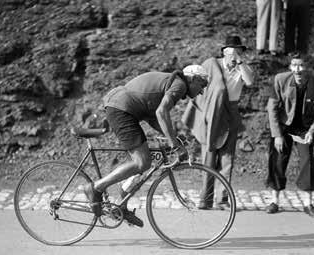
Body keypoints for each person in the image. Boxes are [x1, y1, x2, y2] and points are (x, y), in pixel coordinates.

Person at [84, 65, 210, 227]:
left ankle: (121, 204)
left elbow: (154, 118)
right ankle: (95, 188)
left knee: (144, 160)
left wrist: (174, 139)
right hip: (121, 108)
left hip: (122, 106)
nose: (202, 91)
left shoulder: (174, 82)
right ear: (193, 78)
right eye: (203, 85)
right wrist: (175, 145)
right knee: (142, 161)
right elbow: (161, 113)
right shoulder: (180, 85)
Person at [182, 35, 254, 209]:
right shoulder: (211, 65)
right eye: (232, 51)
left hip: (231, 114)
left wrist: (240, 62)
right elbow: (196, 84)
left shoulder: (242, 69)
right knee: (209, 156)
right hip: (211, 115)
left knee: (227, 158)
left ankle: (222, 200)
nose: (235, 55)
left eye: (239, 51)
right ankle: (205, 200)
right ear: (224, 52)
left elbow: (250, 81)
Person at [266, 52, 314, 218]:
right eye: (294, 65)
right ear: (290, 66)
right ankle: (274, 201)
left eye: (301, 65)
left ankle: (308, 204)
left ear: (308, 67)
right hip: (283, 126)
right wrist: (277, 135)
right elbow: (271, 108)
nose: (298, 69)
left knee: (307, 162)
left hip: (305, 128)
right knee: (278, 160)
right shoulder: (280, 80)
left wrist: (312, 130)